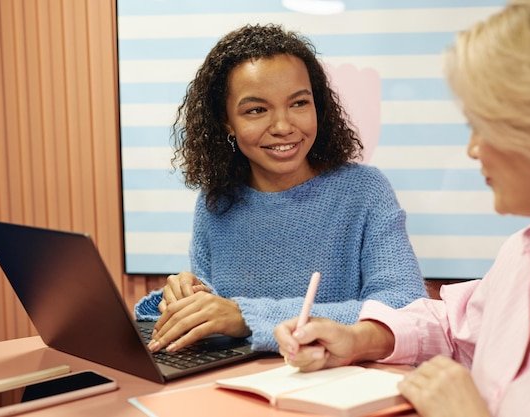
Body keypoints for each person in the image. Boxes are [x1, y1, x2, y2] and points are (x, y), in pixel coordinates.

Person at [274, 1, 530, 416]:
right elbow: (455, 327)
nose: (473, 150)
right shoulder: (526, 254)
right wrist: (359, 339)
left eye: (483, 125)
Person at [136, 23, 427, 353]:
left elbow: (403, 310)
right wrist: (190, 300)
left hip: (336, 387)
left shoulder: (364, 191)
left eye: (299, 103)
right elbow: (220, 324)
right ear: (226, 121)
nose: (283, 126)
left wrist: (247, 316)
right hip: (240, 386)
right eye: (256, 110)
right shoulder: (216, 202)